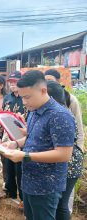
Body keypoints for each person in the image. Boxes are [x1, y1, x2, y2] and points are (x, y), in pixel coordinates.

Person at [3, 70, 76, 220]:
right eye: (22, 97)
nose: (24, 102)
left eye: (27, 97)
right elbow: (32, 137)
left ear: (43, 91)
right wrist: (15, 143)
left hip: (46, 185)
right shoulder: (34, 111)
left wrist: (25, 156)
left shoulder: (60, 116)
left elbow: (64, 154)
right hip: (29, 180)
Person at [44, 81, 84, 220]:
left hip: (69, 164)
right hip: (64, 162)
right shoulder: (55, 112)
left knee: (61, 203)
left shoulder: (61, 114)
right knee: (58, 203)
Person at [0, 71, 27, 209]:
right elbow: (2, 118)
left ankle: (23, 199)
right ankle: (9, 191)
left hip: (23, 138)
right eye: (11, 82)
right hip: (8, 137)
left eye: (16, 82)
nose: (13, 84)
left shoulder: (26, 98)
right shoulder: (7, 98)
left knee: (20, 169)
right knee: (8, 165)